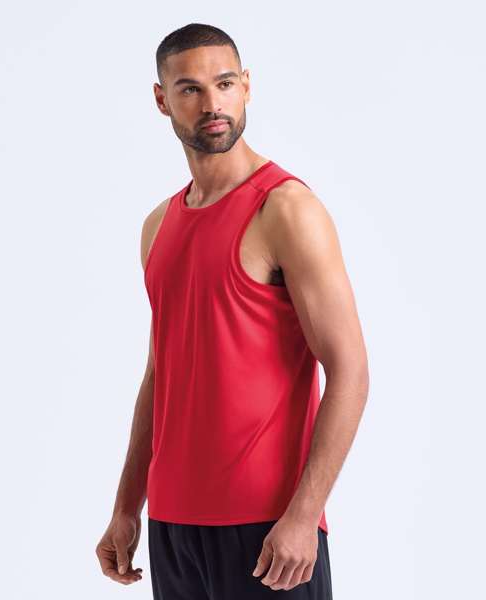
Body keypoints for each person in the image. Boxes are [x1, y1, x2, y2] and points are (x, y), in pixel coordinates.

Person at [95, 22, 369, 599]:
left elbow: (350, 372)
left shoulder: (286, 209)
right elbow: (159, 377)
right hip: (173, 525)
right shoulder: (158, 225)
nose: (212, 104)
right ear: (162, 99)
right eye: (190, 89)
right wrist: (126, 506)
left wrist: (304, 515)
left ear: (246, 86)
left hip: (269, 530)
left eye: (224, 84)